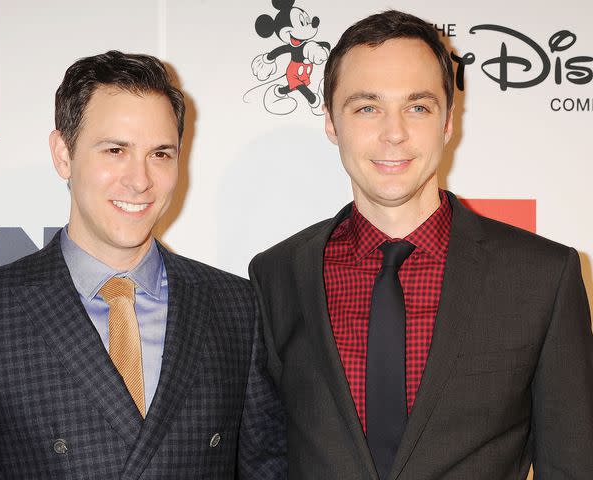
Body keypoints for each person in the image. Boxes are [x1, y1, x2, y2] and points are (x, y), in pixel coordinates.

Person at [249, 10, 593, 480]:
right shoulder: (275, 275)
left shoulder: (543, 276)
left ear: (448, 121)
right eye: (367, 107)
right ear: (331, 121)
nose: (395, 133)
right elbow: (265, 459)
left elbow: (573, 465)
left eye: (418, 107)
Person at [0, 50, 285, 479]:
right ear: (63, 154)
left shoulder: (236, 307)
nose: (140, 179)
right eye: (115, 150)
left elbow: (264, 468)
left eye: (161, 154)